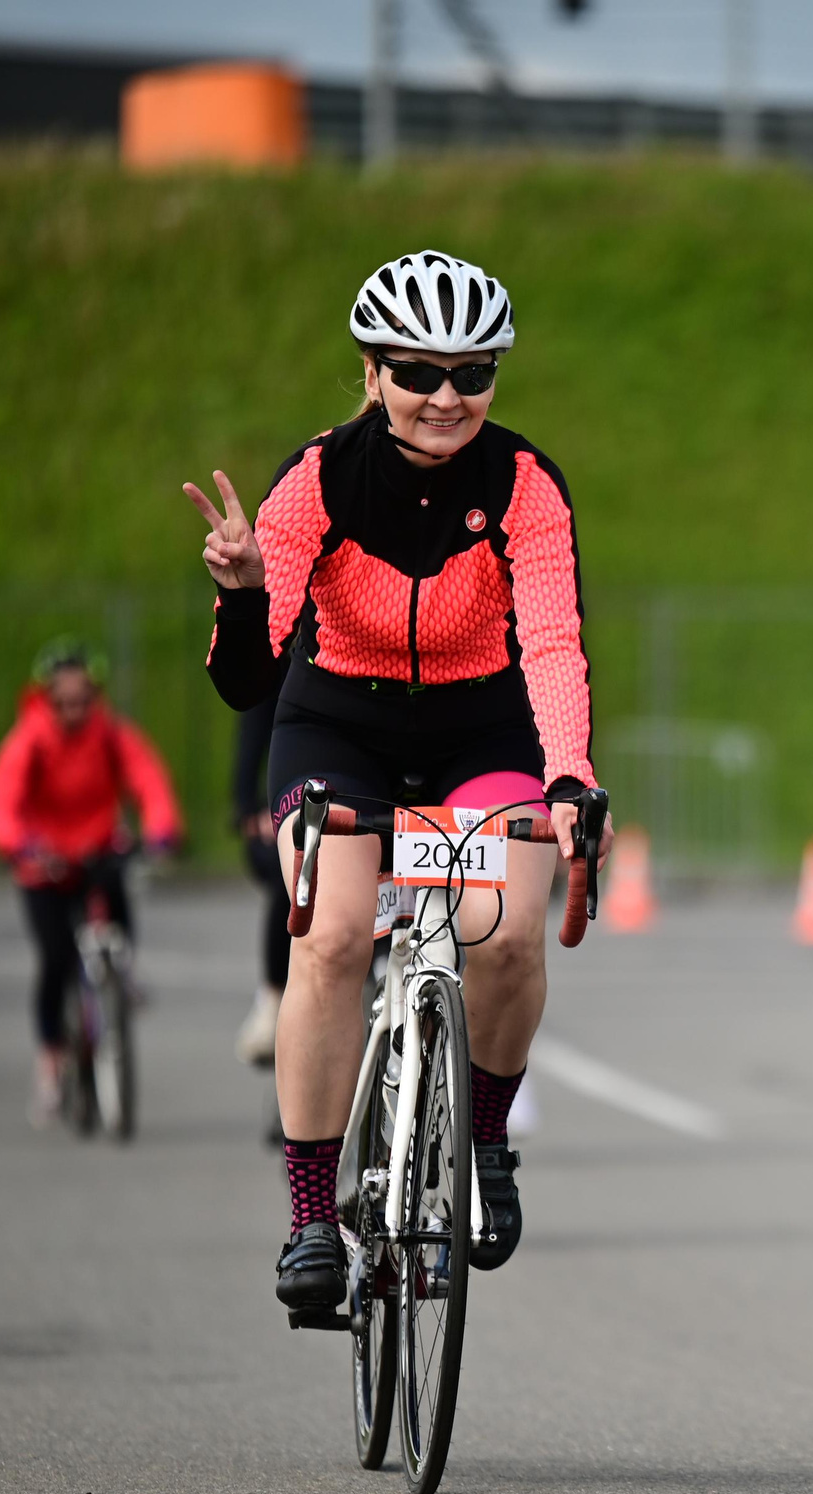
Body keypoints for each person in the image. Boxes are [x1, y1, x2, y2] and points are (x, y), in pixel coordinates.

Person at [186, 250, 598, 1318]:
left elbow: (551, 642)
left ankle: (488, 1143)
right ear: (371, 374)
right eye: (418, 371)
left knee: (505, 932)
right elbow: (246, 682)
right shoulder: (317, 479)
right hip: (339, 725)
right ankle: (312, 1216)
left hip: (481, 727)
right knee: (328, 938)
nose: (447, 397)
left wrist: (566, 779)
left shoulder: (525, 485)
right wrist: (238, 595)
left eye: (474, 372)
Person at [0, 639, 184, 1126]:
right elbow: (1, 799)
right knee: (53, 959)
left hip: (94, 847)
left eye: (82, 700)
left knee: (116, 889)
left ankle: (121, 971)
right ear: (46, 698)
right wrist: (17, 843)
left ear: (94, 696)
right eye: (63, 702)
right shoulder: (29, 741)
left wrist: (160, 830)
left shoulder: (109, 735)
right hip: (43, 862)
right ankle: (51, 1057)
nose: (73, 710)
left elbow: (148, 779)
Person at [229, 700, 287, 1071]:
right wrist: (250, 810)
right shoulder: (282, 653)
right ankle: (273, 996)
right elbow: (251, 742)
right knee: (292, 870)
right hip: (287, 807)